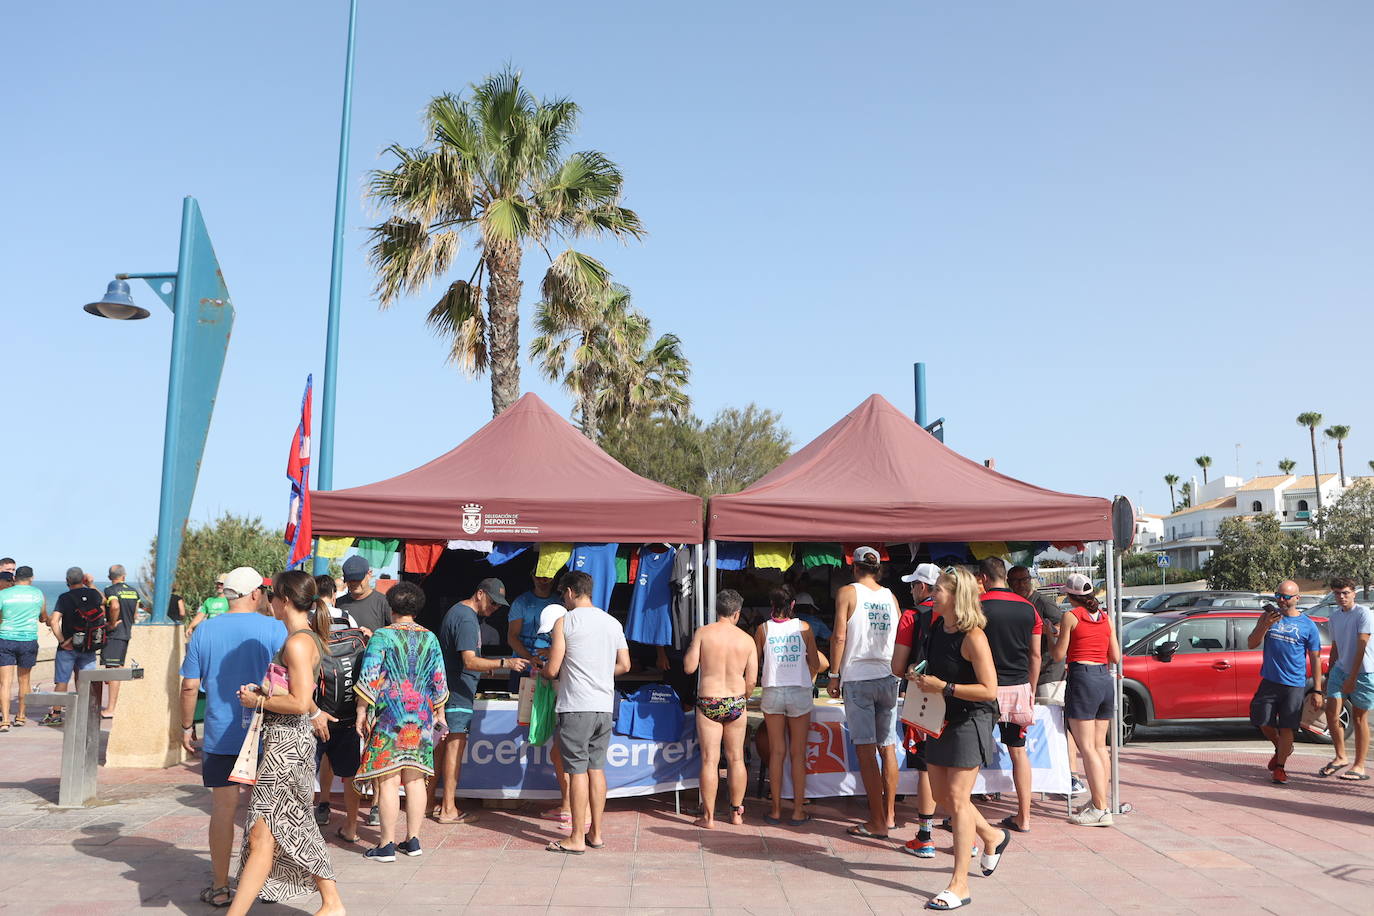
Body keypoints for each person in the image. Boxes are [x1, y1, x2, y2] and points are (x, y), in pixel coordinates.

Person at [226, 570, 342, 914]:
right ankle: (332, 902)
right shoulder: (301, 639)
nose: (269, 601)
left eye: (272, 596)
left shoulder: (297, 642)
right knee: (277, 829)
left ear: (285, 600)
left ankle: (332, 902)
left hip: (286, 748)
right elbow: (296, 696)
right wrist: (264, 691)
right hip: (286, 744)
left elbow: (301, 702)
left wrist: (257, 701)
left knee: (268, 830)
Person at [178, 567, 287, 908]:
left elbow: (189, 685)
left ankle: (221, 885)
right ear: (255, 593)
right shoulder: (276, 628)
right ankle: (264, 882)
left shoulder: (205, 630)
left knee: (224, 809)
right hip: (266, 731)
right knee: (265, 811)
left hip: (219, 732)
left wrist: (185, 726)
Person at [912, 567, 1009, 911]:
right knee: (942, 796)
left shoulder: (974, 636)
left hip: (972, 719)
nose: (932, 593)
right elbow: (936, 668)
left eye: (938, 589)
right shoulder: (938, 626)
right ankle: (992, 836)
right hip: (942, 717)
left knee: (956, 796)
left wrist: (946, 687)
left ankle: (960, 884)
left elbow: (989, 690)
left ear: (956, 596)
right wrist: (921, 676)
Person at [353, 582, 449, 863]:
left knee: (389, 779)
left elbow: (370, 676)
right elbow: (439, 680)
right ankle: (413, 839)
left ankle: (385, 845)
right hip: (420, 715)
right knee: (416, 777)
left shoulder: (382, 636)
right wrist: (439, 712)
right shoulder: (429, 637)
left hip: (389, 714)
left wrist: (361, 711)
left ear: (391, 607)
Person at [540, 570, 630, 852]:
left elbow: (553, 669)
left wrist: (545, 670)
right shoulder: (612, 622)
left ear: (569, 592)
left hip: (576, 706)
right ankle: (597, 833)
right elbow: (625, 665)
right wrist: (600, 673)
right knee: (597, 769)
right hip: (603, 706)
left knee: (576, 771)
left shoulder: (564, 622)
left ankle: (576, 837)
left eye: (562, 595)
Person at [434, 578, 528, 824]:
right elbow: (469, 661)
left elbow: (468, 659)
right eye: (493, 602)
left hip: (451, 690)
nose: (495, 608)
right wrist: (503, 663)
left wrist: (483, 666)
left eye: (499, 605)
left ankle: (429, 803)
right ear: (479, 593)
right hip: (458, 693)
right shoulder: (466, 619)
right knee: (453, 749)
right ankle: (448, 809)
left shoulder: (460, 613)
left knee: (440, 750)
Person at [828, 546, 901, 839]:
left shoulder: (848, 592)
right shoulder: (891, 596)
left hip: (858, 676)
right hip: (888, 675)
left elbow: (839, 636)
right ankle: (891, 815)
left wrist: (834, 674)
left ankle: (877, 820)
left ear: (854, 567)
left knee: (866, 749)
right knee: (888, 746)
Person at [974, 557, 1041, 834]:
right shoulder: (1029, 609)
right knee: (1018, 752)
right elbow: (1035, 655)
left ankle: (961, 816)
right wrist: (1032, 689)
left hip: (984, 688)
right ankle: (1024, 816)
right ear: (1004, 575)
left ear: (984, 578)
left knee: (970, 754)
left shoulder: (978, 606)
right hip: (1019, 687)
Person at [1051, 573, 1122, 827]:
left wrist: (1052, 636)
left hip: (1082, 678)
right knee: (1099, 746)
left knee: (1087, 748)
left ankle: (1100, 809)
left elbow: (1059, 655)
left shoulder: (1070, 616)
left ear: (1070, 597)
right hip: (1104, 679)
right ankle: (1099, 801)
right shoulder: (1106, 618)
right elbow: (1114, 655)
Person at [684, 588, 758, 828]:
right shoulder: (747, 640)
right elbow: (752, 681)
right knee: (736, 758)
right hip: (735, 700)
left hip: (709, 700)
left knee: (709, 760)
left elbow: (688, 668)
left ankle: (709, 817)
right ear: (737, 613)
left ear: (718, 610)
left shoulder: (704, 633)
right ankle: (736, 813)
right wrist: (742, 698)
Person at [1009, 565, 1085, 796]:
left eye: (1025, 579)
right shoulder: (1018, 603)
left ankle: (1071, 777)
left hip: (1049, 673)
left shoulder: (1042, 603)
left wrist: (1043, 632)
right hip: (1031, 673)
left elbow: (1063, 627)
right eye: (1016, 581)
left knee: (1056, 726)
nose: (1021, 584)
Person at [755, 585, 819, 825]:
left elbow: (756, 662)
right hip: (799, 691)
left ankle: (775, 810)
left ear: (772, 605)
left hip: (772, 691)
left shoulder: (762, 629)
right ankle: (798, 811)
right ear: (793, 605)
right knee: (797, 753)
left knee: (776, 752)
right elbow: (814, 661)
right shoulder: (804, 628)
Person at [1246, 580, 1322, 784]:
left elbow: (1315, 658)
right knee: (1261, 720)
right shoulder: (1267, 618)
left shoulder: (1308, 625)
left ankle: (1280, 768)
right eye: (1278, 595)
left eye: (1286, 597)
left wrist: (1317, 689)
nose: (1281, 600)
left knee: (1288, 726)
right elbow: (1252, 643)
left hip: (1294, 684)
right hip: (1270, 680)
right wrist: (1265, 625)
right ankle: (1281, 746)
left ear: (1297, 598)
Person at [310, 574, 365, 837]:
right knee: (351, 774)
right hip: (347, 714)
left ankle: (314, 814)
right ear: (333, 594)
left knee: (309, 769)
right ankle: (352, 826)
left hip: (317, 714)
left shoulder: (306, 621)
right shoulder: (347, 618)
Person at [892, 562, 940, 857]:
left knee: (925, 767)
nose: (911, 590)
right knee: (955, 769)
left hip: (923, 698)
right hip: (959, 696)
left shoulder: (912, 616)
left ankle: (925, 837)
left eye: (912, 585)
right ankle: (967, 835)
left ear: (923, 587)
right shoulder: (963, 613)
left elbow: (898, 667)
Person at [1321, 576, 1374, 781]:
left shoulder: (1363, 614)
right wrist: (1329, 674)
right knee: (1331, 711)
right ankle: (1340, 756)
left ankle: (1359, 765)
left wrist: (1352, 678)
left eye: (1345, 593)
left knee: (1360, 718)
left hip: (1363, 672)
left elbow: (1361, 647)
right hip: (1340, 669)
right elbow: (1335, 647)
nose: (1341, 597)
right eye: (1337, 593)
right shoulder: (1334, 617)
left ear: (1354, 593)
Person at [45, 567, 106, 726]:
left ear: (67, 581)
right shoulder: (93, 594)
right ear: (83, 580)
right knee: (86, 680)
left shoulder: (64, 597)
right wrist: (91, 585)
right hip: (89, 645)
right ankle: (86, 712)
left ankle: (56, 714)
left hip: (68, 647)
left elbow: (53, 621)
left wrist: (62, 641)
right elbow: (105, 601)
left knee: (62, 681)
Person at [0, 566, 44, 731]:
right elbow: (42, 616)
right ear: (31, 578)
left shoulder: (3, 594)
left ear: (15, 577)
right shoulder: (37, 593)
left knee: (5, 683)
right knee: (24, 681)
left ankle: (4, 720)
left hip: (5, 639)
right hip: (28, 639)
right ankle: (20, 716)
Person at [101, 565, 141, 718]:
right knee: (122, 670)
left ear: (110, 577)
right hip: (129, 633)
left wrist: (111, 623)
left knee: (113, 672)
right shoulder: (134, 591)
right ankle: (120, 706)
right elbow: (136, 614)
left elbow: (115, 606)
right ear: (124, 576)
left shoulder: (111, 590)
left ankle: (111, 708)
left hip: (115, 634)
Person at [508, 574, 556, 672]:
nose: (542, 581)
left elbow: (568, 638)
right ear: (533, 577)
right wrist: (530, 658)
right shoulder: (520, 602)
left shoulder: (560, 603)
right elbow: (512, 637)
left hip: (549, 668)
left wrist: (552, 652)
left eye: (546, 578)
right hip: (522, 667)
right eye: (538, 577)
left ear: (553, 578)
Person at [336, 556, 391, 634]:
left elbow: (395, 636)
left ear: (369, 574)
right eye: (350, 579)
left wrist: (373, 638)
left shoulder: (384, 603)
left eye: (358, 579)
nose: (354, 583)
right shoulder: (338, 604)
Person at [185, 574, 229, 639]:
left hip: (224, 634)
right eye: (217, 583)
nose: (219, 586)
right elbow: (200, 615)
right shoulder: (209, 600)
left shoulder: (231, 601)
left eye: (222, 583)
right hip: (210, 634)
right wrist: (190, 627)